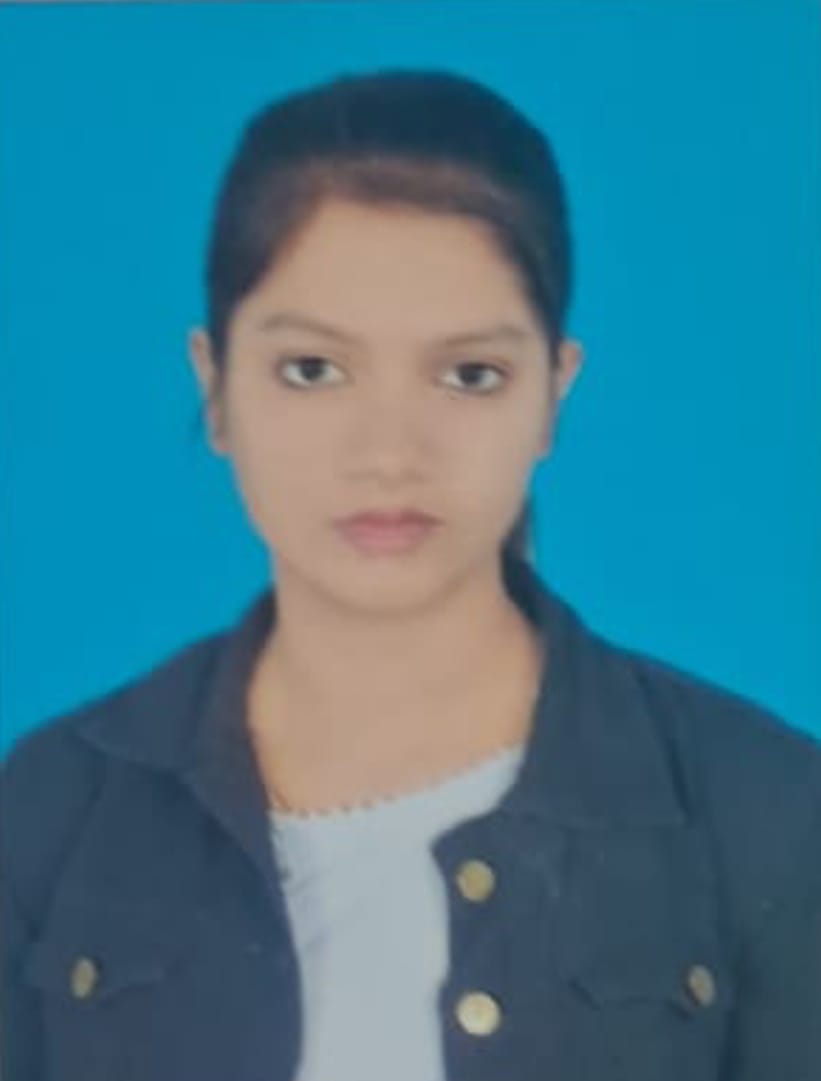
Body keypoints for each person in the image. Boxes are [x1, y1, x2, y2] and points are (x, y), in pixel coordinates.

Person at [1, 68, 820, 1081]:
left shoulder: (765, 813)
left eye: (469, 374)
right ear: (214, 387)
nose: (389, 451)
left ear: (551, 394)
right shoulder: (50, 810)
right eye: (312, 369)